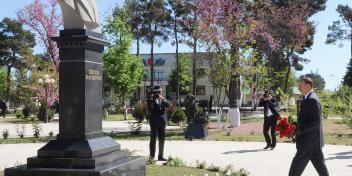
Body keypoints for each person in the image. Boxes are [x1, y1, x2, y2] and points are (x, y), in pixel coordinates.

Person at [289, 77, 329, 176]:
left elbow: (315, 122)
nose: (299, 87)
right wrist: (294, 126)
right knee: (321, 169)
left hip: (308, 143)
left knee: (294, 171)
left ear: (308, 86)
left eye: (301, 85)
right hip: (314, 143)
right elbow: (308, 119)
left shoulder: (311, 99)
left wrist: (299, 131)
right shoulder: (311, 97)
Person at [147, 85, 169, 161]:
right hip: (154, 122)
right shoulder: (151, 99)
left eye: (160, 91)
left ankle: (161, 156)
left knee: (162, 139)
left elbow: (168, 105)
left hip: (162, 122)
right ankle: (152, 156)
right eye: (158, 91)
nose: (159, 93)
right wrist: (151, 98)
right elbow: (149, 108)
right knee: (153, 139)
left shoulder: (163, 99)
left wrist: (162, 98)